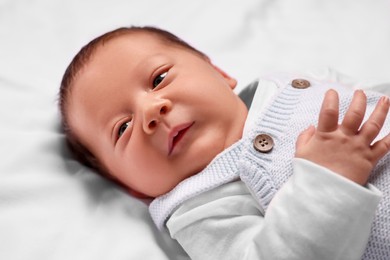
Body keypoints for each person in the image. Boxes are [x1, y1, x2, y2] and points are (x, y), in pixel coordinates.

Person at [59, 26, 390, 259]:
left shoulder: (293, 81)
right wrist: (328, 180)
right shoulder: (200, 207)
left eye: (159, 79)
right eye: (122, 128)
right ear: (133, 188)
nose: (150, 112)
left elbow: (373, 97)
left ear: (218, 72)